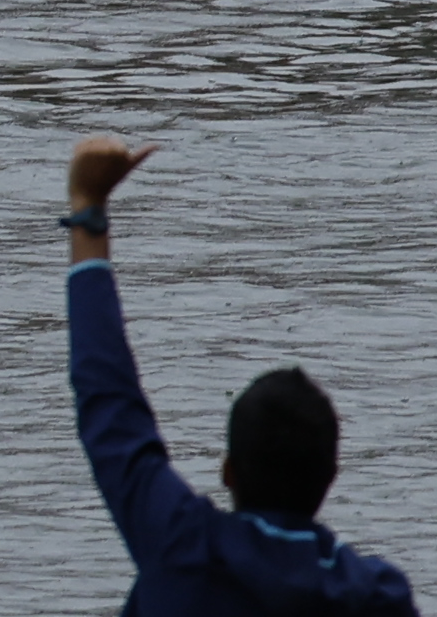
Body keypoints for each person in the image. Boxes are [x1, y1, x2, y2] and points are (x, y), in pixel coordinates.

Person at [61, 138, 410, 617]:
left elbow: (108, 400)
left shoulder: (183, 547)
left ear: (229, 472)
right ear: (331, 477)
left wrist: (88, 209)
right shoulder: (376, 596)